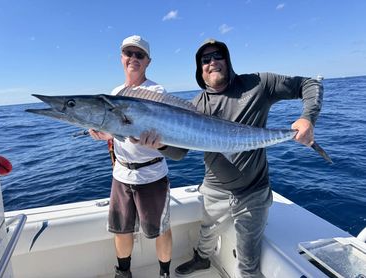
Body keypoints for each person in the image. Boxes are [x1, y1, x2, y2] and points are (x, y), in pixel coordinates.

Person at [135, 38, 323, 278]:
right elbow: (179, 153)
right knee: (206, 233)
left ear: (228, 60)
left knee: (247, 263)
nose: (212, 62)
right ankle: (202, 260)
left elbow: (309, 84)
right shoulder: (196, 106)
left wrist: (308, 118)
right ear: (199, 69)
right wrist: (160, 145)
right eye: (205, 60)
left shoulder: (258, 84)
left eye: (217, 56)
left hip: (253, 191)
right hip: (214, 188)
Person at [89, 35, 172, 278]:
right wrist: (104, 135)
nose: (133, 58)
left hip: (152, 173)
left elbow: (161, 134)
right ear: (121, 58)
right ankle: (123, 273)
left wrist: (158, 141)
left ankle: (164, 274)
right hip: (122, 173)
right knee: (121, 230)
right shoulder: (115, 92)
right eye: (128, 53)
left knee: (160, 230)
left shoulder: (156, 90)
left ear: (148, 61)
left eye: (139, 55)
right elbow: (118, 132)